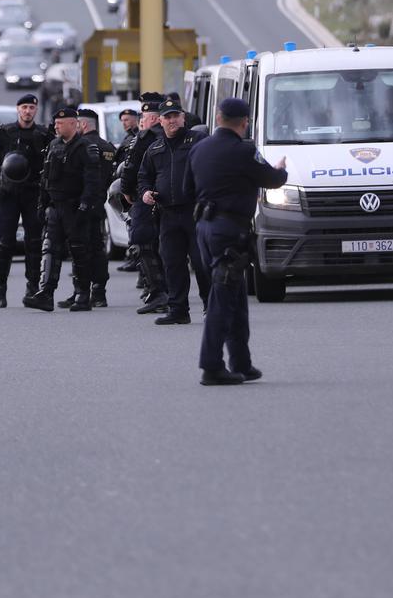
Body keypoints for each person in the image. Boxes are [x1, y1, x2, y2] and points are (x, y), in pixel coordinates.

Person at [189, 97, 288, 386]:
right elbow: (272, 179)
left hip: (204, 230)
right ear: (245, 122)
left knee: (235, 294)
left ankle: (241, 363)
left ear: (218, 117)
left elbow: (186, 188)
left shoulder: (198, 149)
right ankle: (211, 366)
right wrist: (280, 169)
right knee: (222, 299)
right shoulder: (244, 150)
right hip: (229, 231)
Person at [26, 105, 102, 312]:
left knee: (79, 251)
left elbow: (92, 181)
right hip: (55, 206)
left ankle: (83, 295)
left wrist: (85, 205)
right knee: (50, 248)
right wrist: (42, 203)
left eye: (60, 123)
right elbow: (45, 177)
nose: (56, 127)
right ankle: (46, 293)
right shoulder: (54, 145)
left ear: (73, 124)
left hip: (75, 207)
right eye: (56, 123)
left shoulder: (85, 147)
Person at [138, 99, 206, 326]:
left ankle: (212, 307)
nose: (172, 120)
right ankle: (178, 310)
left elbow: (212, 168)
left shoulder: (198, 141)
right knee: (172, 263)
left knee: (201, 261)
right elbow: (143, 177)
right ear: (160, 120)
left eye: (176, 115)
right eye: (167, 116)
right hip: (167, 214)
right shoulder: (154, 148)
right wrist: (146, 192)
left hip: (195, 212)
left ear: (183, 117)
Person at [0, 95, 54, 309]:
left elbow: (50, 165)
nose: (28, 111)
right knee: (4, 244)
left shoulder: (43, 134)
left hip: (33, 194)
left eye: (31, 107)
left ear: (36, 110)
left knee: (34, 243)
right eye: (24, 107)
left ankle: (32, 288)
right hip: (7, 194)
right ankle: (0, 290)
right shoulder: (3, 133)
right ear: (18, 109)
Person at [119, 94, 167, 314]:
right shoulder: (174, 136)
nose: (141, 122)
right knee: (166, 246)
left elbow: (131, 169)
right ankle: (168, 293)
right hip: (171, 199)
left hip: (145, 198)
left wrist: (127, 192)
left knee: (141, 242)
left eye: (144, 117)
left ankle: (157, 292)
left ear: (154, 119)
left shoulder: (144, 138)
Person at [70, 108, 118, 308]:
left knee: (82, 248)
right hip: (98, 202)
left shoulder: (82, 146)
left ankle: (81, 290)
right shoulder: (107, 147)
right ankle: (98, 292)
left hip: (80, 203)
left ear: (82, 124)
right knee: (97, 247)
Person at [110, 109, 142, 274]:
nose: (124, 123)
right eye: (122, 120)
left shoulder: (137, 138)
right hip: (125, 184)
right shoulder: (128, 137)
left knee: (134, 225)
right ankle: (133, 257)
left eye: (127, 120)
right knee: (130, 225)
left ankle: (135, 259)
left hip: (134, 186)